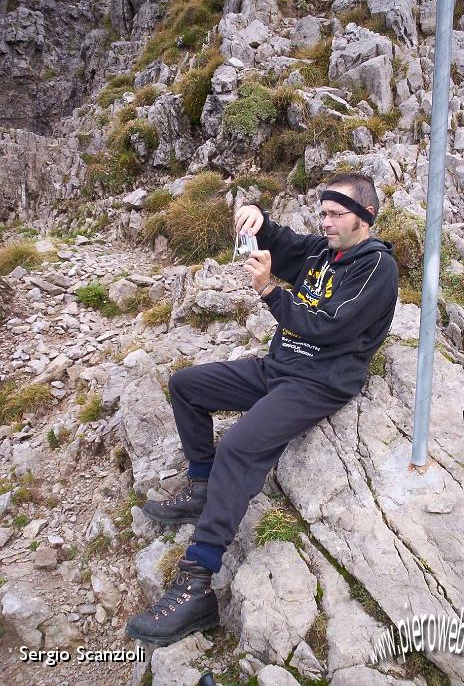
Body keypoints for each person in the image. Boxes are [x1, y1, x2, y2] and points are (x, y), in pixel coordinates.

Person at [125, 172, 399, 646]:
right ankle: (202, 486)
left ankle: (196, 583)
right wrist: (257, 218)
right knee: (186, 385)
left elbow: (328, 327)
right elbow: (282, 240)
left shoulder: (375, 269)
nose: (326, 222)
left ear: (365, 216)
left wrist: (270, 292)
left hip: (320, 382)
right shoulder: (321, 251)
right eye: (323, 213)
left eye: (336, 215)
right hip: (280, 367)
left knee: (240, 446)